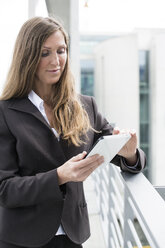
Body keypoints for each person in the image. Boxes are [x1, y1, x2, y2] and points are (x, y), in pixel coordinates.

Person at [0, 16, 145, 248]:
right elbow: (4, 189)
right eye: (45, 52)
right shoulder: (6, 111)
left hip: (72, 235)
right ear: (27, 56)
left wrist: (130, 152)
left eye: (61, 50)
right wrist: (59, 176)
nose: (56, 61)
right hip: (21, 238)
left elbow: (120, 155)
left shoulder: (86, 106)